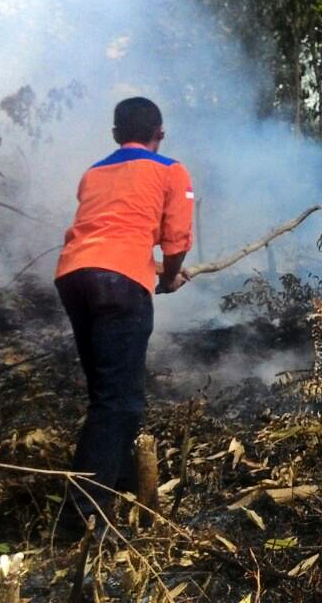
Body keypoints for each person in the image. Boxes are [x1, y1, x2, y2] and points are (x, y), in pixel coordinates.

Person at [53, 97, 194, 527]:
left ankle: (122, 482)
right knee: (121, 401)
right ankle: (80, 515)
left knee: (106, 394)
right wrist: (169, 277)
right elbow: (177, 241)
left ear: (115, 134)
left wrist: (153, 267)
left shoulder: (93, 173)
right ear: (160, 134)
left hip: (74, 277)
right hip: (119, 285)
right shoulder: (171, 169)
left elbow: (109, 232)